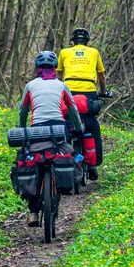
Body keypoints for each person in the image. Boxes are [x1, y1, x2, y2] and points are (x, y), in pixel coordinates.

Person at [19, 50, 83, 226]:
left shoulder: (30, 86)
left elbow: (23, 111)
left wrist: (21, 128)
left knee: (34, 161)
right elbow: (73, 110)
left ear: (37, 69)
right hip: (59, 129)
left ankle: (33, 212)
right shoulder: (62, 86)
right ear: (55, 68)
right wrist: (78, 128)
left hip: (36, 130)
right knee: (65, 154)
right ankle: (61, 187)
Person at [57, 28, 111, 180]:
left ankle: (63, 161)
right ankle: (93, 163)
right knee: (92, 126)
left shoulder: (64, 52)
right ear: (87, 43)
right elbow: (101, 77)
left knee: (66, 125)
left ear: (72, 42)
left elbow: (59, 75)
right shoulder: (94, 52)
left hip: (69, 93)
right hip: (88, 94)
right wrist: (103, 92)